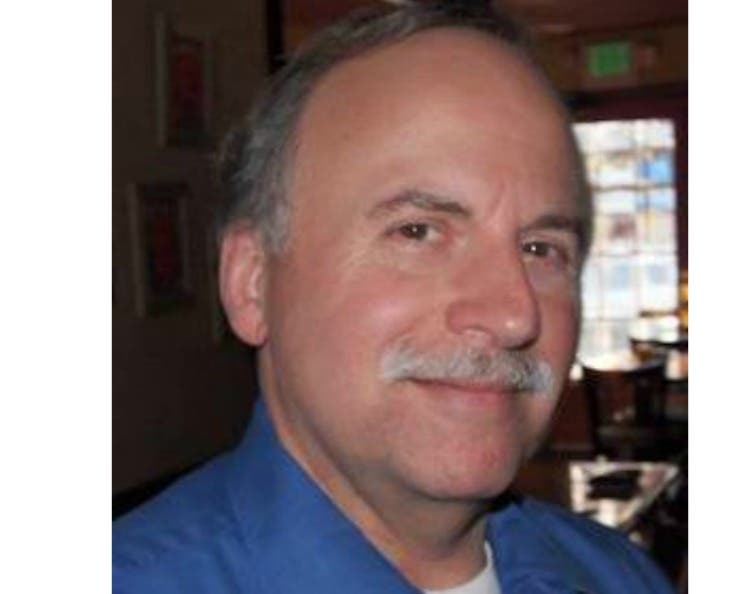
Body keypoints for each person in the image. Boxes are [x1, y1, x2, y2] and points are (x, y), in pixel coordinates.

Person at [113, 3, 673, 593]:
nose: (514, 314)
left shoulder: (620, 575)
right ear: (252, 283)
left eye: (541, 248)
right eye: (417, 232)